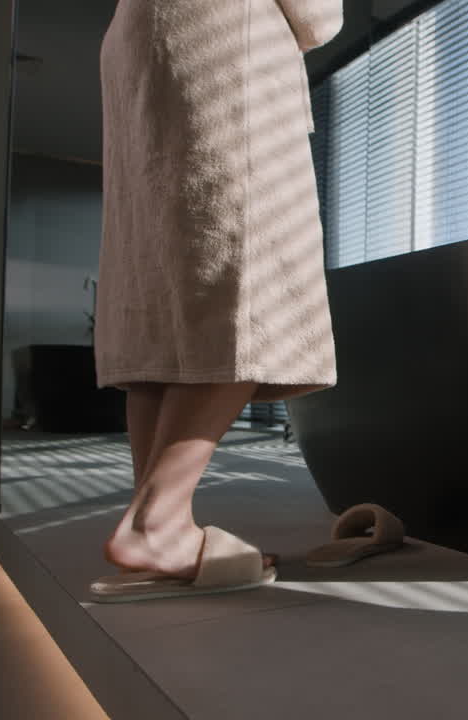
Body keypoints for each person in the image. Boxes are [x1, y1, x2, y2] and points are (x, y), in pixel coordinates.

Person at [89, 0, 343, 599]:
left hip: (137, 38)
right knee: (247, 278)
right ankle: (159, 523)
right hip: (226, 36)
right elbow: (315, 14)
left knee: (164, 296)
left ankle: (154, 519)